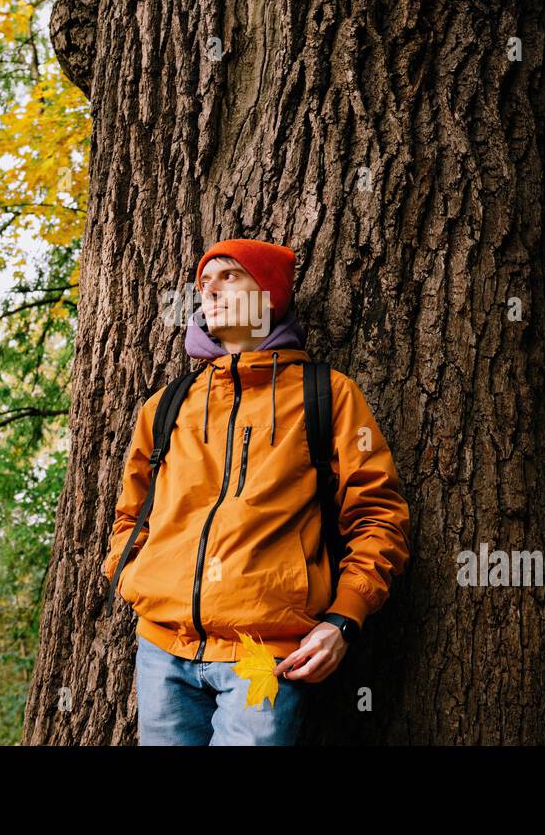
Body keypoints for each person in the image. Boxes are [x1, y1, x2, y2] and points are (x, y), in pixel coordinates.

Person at [102, 238, 411, 745]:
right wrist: (129, 571)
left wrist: (344, 619)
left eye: (229, 277)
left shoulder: (328, 395)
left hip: (262, 654)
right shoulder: (167, 404)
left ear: (268, 296)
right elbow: (131, 511)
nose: (209, 290)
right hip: (160, 645)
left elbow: (378, 515)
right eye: (204, 282)